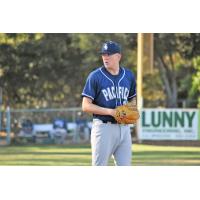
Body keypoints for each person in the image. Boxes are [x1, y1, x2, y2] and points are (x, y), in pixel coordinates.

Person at [81, 41, 137, 166]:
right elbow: (85, 105)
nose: (105, 57)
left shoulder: (128, 75)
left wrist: (132, 110)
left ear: (118, 56)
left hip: (124, 128)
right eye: (103, 54)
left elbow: (132, 98)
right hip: (104, 128)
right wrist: (111, 112)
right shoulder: (95, 76)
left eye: (109, 54)